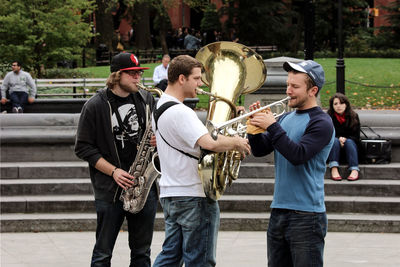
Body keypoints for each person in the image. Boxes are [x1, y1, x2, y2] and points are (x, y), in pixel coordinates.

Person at [152, 55, 251, 267]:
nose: (200, 84)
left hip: (172, 193)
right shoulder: (181, 112)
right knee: (201, 260)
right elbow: (209, 143)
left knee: (170, 257)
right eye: (196, 78)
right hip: (193, 195)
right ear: (181, 79)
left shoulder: (159, 107)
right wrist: (236, 142)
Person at [247, 60, 335, 267]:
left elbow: (298, 155)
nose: (288, 91)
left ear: (313, 90)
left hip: (307, 215)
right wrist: (254, 130)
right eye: (288, 85)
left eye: (295, 87)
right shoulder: (286, 118)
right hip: (279, 210)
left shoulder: (321, 122)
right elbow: (260, 151)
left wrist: (273, 126)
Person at [74, 52, 158, 267]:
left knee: (142, 252)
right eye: (132, 74)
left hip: (143, 187)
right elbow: (83, 147)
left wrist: (160, 140)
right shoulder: (95, 105)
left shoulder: (147, 99)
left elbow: (159, 132)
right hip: (110, 190)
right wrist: (113, 171)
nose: (138, 78)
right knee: (103, 253)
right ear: (117, 75)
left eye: (139, 73)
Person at [327, 92, 360, 181]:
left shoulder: (354, 116)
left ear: (346, 105)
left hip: (350, 149)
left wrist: (345, 139)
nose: (338, 106)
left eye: (341, 103)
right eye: (335, 104)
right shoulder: (328, 117)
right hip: (333, 150)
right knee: (334, 140)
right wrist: (339, 139)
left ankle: (354, 169)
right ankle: (334, 168)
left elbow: (356, 137)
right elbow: (327, 135)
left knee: (349, 142)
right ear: (332, 106)